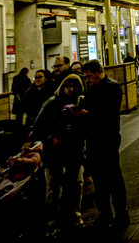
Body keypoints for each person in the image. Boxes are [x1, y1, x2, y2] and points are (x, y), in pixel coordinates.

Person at [31, 73, 86, 233]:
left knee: (75, 184)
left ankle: (74, 215)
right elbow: (37, 128)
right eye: (68, 86)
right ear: (63, 87)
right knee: (53, 187)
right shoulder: (51, 103)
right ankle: (53, 221)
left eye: (74, 86)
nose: (71, 89)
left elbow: (88, 124)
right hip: (53, 152)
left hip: (74, 149)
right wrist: (51, 138)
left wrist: (77, 127)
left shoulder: (81, 102)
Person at [79, 60, 129, 230]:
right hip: (93, 138)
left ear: (99, 72)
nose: (87, 80)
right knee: (99, 179)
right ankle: (104, 213)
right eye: (85, 77)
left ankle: (121, 213)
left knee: (113, 177)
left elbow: (109, 113)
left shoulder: (112, 87)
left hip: (108, 137)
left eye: (89, 76)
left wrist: (86, 113)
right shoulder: (90, 89)